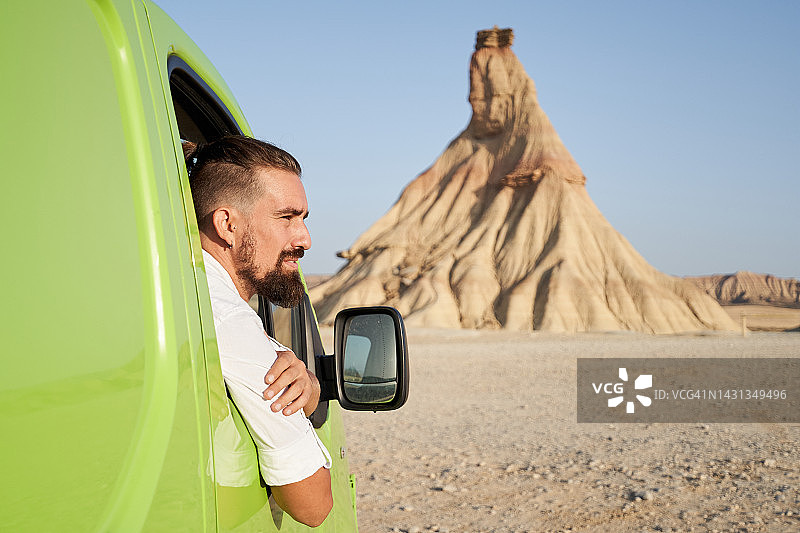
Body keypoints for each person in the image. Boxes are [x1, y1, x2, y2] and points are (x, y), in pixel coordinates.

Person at [183, 136, 332, 527]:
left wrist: (308, 385)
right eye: (287, 218)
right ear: (227, 225)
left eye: (303, 219)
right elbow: (313, 506)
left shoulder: (180, 288)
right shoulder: (225, 318)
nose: (305, 239)